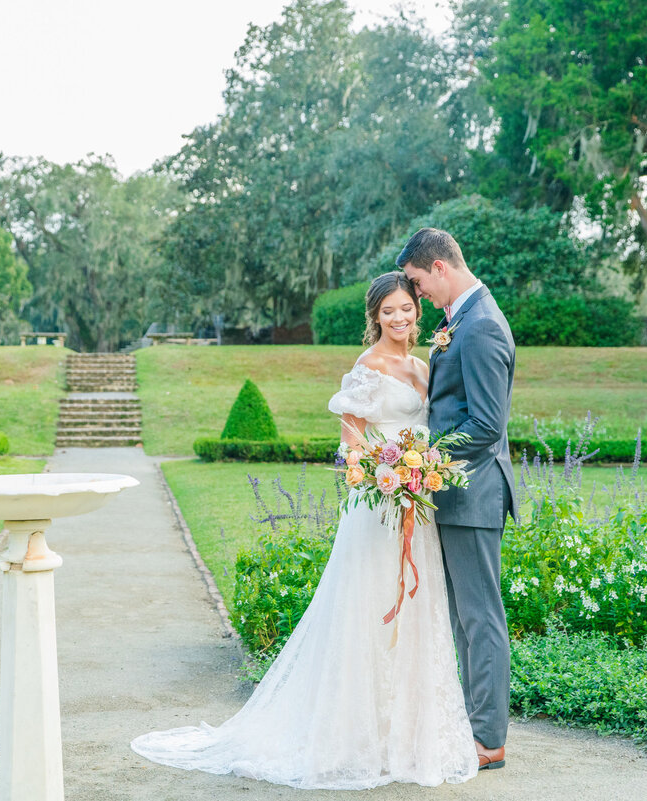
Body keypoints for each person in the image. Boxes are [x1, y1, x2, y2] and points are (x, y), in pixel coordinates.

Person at [130, 271, 479, 790]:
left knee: (412, 616)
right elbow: (351, 448)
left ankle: (402, 738)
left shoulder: (423, 367)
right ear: (375, 317)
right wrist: (388, 475)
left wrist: (418, 474)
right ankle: (351, 737)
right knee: (367, 612)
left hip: (415, 510)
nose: (399, 318)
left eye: (406, 308)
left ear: (417, 310)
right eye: (388, 312)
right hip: (377, 510)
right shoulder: (367, 368)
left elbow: (428, 430)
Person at [399, 228, 517, 771]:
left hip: (473, 493)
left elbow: (488, 425)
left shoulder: (483, 326)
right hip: (453, 492)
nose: (419, 296)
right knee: (461, 618)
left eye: (420, 284)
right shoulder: (461, 321)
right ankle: (470, 724)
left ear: (440, 268)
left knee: (480, 617)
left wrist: (423, 458)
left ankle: (488, 739)